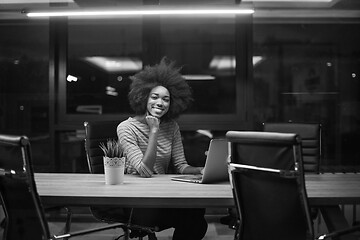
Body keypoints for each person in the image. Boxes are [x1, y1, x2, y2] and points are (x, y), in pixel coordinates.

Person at [117, 57, 208, 240]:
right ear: (143, 97)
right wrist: (154, 130)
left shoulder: (171, 126)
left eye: (166, 99)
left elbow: (180, 164)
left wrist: (200, 170)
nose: (160, 103)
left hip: (162, 194)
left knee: (197, 213)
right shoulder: (126, 128)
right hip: (137, 202)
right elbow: (144, 171)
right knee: (193, 219)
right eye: (155, 97)